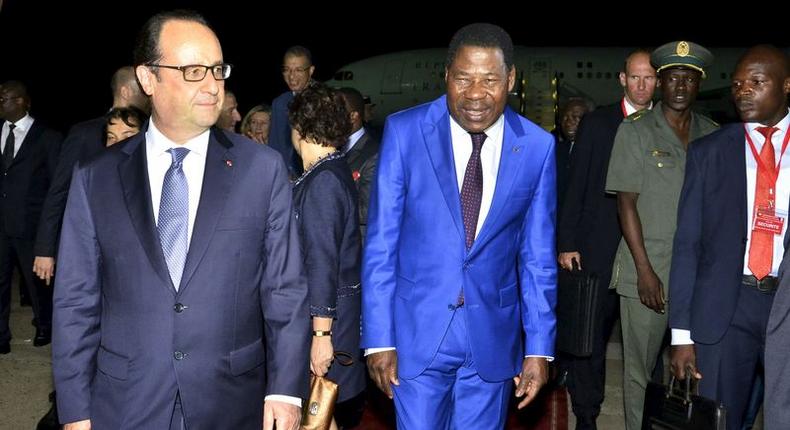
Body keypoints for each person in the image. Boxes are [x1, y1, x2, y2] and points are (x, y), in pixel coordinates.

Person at [52, 10, 309, 430]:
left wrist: (284, 391)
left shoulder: (261, 170)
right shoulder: (96, 178)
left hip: (231, 402)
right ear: (148, 79)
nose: (212, 85)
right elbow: (75, 301)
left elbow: (285, 289)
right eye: (193, 71)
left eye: (217, 69)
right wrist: (75, 409)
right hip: (125, 403)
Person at [361, 23, 557, 429]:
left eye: (489, 80)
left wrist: (539, 347)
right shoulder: (405, 131)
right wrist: (379, 337)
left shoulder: (537, 147)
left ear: (511, 80)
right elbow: (382, 243)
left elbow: (537, 257)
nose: (475, 94)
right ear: (446, 76)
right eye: (463, 79)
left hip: (492, 340)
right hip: (416, 334)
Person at [670, 45, 790, 430]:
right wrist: (681, 335)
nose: (743, 91)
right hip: (726, 308)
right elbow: (687, 244)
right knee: (718, 419)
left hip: (784, 303)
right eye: (738, 84)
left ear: (786, 86)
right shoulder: (709, 153)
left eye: (757, 82)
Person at [606, 41, 718, 430]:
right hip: (648, 270)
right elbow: (626, 204)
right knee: (639, 371)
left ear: (698, 85)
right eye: (673, 78)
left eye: (689, 79)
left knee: (692, 366)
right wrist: (644, 270)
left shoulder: (712, 134)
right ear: (659, 84)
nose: (681, 86)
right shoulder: (635, 131)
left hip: (698, 275)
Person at [556, 49, 657, 430]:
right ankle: (586, 413)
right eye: (635, 77)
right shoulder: (598, 124)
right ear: (622, 80)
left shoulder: (666, 125)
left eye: (649, 78)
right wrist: (567, 242)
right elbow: (577, 184)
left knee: (644, 343)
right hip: (597, 248)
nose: (642, 85)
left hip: (645, 253)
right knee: (590, 338)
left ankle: (648, 412)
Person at [289, 82, 366, 430]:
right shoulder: (331, 171)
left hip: (327, 324)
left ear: (300, 127)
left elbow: (321, 262)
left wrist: (321, 336)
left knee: (319, 411)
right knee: (319, 414)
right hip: (334, 317)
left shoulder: (322, 182)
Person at [33, 66, 149, 286]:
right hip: (93, 247)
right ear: (125, 91)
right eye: (143, 89)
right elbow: (59, 190)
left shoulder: (151, 133)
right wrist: (45, 249)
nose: (149, 95)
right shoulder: (85, 133)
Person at [0, 81, 62, 353]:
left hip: (32, 226)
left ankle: (44, 325)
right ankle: (1, 335)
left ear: (23, 101)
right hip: (1, 226)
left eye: (5, 99)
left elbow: (56, 187)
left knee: (37, 285)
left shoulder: (47, 137)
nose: (1, 103)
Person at [337, 87, 380, 237]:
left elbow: (368, 210)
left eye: (336, 112)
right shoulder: (334, 147)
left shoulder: (374, 153)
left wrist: (328, 203)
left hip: (358, 245)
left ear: (353, 116)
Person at [269, 45, 315, 176]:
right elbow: (275, 146)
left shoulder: (323, 101)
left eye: (298, 70)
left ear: (311, 71)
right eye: (287, 70)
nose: (291, 76)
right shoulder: (279, 103)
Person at [554, 97, 592, 206]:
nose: (568, 122)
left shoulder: (600, 152)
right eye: (565, 117)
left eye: (576, 117)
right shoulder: (556, 151)